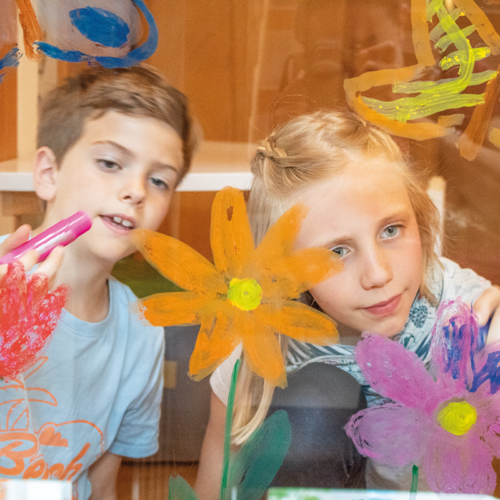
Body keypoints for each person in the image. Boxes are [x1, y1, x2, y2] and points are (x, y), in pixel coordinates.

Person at [194, 111, 500, 497]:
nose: (378, 274)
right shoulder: (263, 345)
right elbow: (217, 477)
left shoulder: (465, 313)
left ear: (419, 221)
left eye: (391, 230)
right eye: (337, 251)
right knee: (313, 395)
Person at [0, 65, 198, 499]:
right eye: (110, 163)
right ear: (48, 173)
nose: (136, 190)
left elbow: (104, 484)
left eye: (159, 179)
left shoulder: (140, 334)